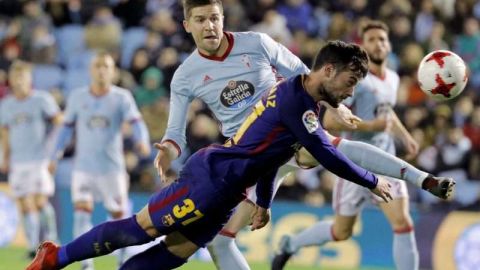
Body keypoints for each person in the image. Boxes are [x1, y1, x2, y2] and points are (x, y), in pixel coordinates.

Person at [27, 40, 454, 270]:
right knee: (141, 230)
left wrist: (265, 201)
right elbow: (326, 154)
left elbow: (274, 158)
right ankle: (55, 257)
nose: (350, 91)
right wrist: (373, 180)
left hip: (229, 191)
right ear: (327, 70)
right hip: (211, 178)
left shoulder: (299, 99)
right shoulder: (296, 103)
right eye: (349, 80)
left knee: (174, 253)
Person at [153, 1, 451, 269]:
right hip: (250, 160)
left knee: (323, 148)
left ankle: (421, 178)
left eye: (215, 18)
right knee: (221, 240)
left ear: (223, 18)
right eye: (201, 20)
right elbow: (175, 132)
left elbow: (301, 72)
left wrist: (330, 104)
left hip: (287, 131)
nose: (210, 25)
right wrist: (168, 151)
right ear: (187, 25)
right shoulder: (185, 74)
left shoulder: (256, 43)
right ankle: (418, 178)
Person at [272, 20, 430, 270]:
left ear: (389, 45)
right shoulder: (357, 83)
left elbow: (387, 113)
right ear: (363, 47)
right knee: (341, 231)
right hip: (355, 164)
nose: (378, 44)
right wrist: (371, 127)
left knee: (403, 222)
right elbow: (330, 122)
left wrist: (404, 135)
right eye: (372, 40)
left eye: (382, 39)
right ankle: (291, 244)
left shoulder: (393, 78)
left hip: (386, 161)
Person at [48, 51, 151, 269]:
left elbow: (136, 122)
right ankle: (86, 265)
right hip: (83, 168)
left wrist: (142, 140)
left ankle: (122, 259)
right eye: (98, 66)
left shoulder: (121, 97)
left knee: (118, 218)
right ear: (90, 70)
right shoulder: (78, 97)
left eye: (106, 66)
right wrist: (55, 154)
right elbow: (65, 129)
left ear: (113, 71)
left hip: (111, 169)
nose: (102, 70)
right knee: (80, 215)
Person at [0, 60, 62, 258]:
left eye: (22, 77)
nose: (18, 81)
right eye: (15, 77)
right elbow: (5, 132)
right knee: (25, 204)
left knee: (40, 201)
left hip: (39, 160)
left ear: (29, 79)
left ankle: (53, 241)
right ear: (10, 80)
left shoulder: (41, 99)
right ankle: (32, 247)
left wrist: (54, 152)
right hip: (18, 161)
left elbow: (60, 123)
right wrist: (6, 156)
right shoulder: (6, 104)